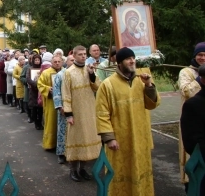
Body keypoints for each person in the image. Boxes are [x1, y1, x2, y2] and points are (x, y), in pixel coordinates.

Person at [96, 47, 160, 195]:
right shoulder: (108, 84)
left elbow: (152, 105)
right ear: (119, 63)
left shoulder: (142, 80)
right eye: (128, 59)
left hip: (140, 138)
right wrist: (109, 138)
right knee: (120, 174)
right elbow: (101, 113)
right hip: (120, 140)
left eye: (133, 58)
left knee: (142, 174)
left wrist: (149, 86)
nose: (132, 61)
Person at [62, 45, 101, 182]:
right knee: (76, 139)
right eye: (80, 54)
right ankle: (73, 170)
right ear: (75, 55)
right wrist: (68, 114)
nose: (83, 56)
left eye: (85, 54)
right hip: (76, 111)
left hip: (89, 110)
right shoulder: (68, 72)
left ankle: (83, 169)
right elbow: (65, 94)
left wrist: (91, 74)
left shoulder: (89, 69)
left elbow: (97, 87)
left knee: (88, 139)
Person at [178, 41, 205, 189]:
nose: (203, 58)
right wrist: (200, 77)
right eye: (200, 55)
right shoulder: (186, 72)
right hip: (192, 120)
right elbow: (187, 92)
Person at [37, 54, 63, 150]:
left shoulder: (65, 72)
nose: (57, 63)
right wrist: (48, 89)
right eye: (55, 62)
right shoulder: (46, 73)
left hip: (63, 101)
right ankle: (50, 144)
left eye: (58, 62)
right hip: (50, 102)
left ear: (62, 62)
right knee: (51, 122)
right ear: (51, 62)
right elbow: (40, 84)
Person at [52, 54, 74, 164]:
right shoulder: (60, 75)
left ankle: (73, 153)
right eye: (71, 60)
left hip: (76, 108)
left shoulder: (78, 74)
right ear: (67, 62)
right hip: (64, 108)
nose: (73, 62)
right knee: (62, 131)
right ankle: (61, 153)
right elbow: (56, 91)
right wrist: (59, 106)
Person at [27, 54, 43, 130]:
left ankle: (40, 122)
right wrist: (35, 84)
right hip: (33, 90)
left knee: (40, 107)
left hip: (40, 90)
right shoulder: (30, 69)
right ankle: (36, 123)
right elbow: (28, 79)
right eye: (36, 60)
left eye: (38, 60)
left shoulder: (42, 68)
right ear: (33, 61)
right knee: (34, 107)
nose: (37, 61)